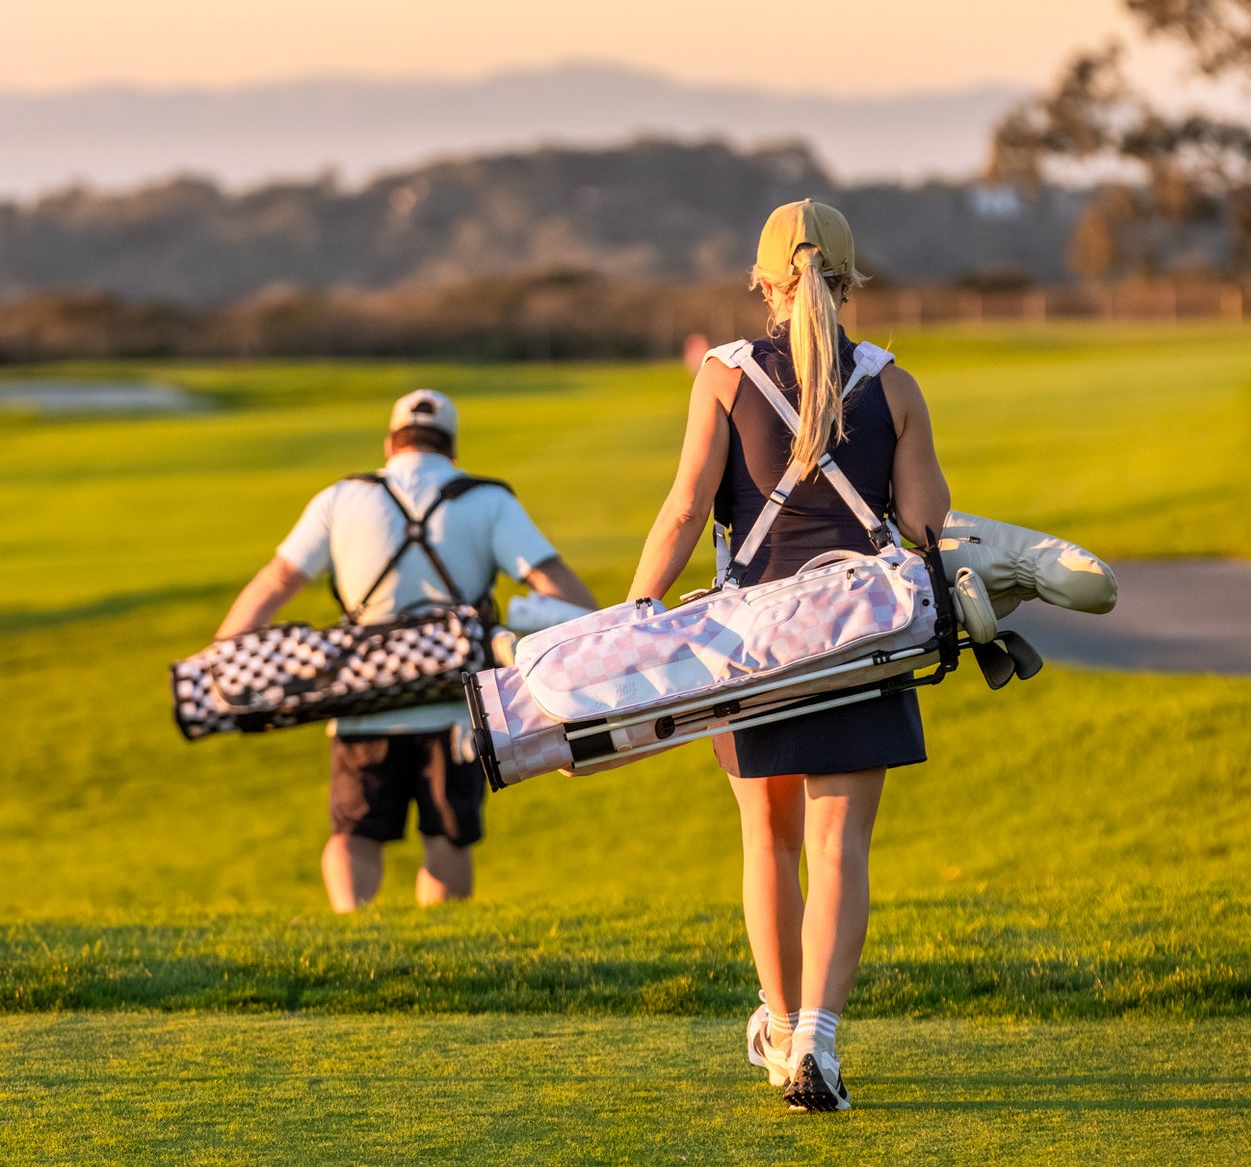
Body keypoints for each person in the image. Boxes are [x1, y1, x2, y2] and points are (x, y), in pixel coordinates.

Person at [627, 199, 950, 1111]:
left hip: (755, 646)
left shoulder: (723, 375)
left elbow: (687, 509)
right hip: (862, 640)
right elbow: (926, 530)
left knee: (766, 838)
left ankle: (775, 1025)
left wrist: (637, 614)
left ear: (764, 280)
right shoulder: (894, 386)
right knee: (838, 840)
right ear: (848, 281)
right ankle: (819, 1039)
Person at [216, 388, 597, 912]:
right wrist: (596, 632)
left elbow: (279, 579)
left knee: (354, 830)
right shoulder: (488, 501)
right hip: (456, 707)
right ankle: (438, 943)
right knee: (447, 833)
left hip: (363, 703)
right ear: (452, 448)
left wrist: (220, 660)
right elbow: (552, 582)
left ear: (391, 443)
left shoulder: (340, 498)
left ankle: (354, 929)